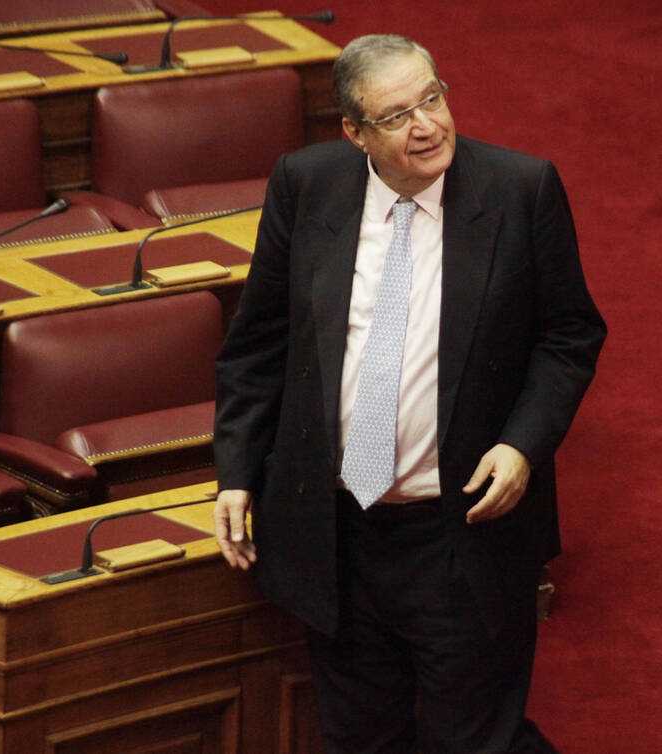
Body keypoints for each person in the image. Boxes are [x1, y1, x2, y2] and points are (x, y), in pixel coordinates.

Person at [213, 33, 606, 754]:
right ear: (355, 132)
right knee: (360, 738)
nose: (426, 125)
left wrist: (521, 446)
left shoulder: (520, 190)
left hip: (462, 530)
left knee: (474, 740)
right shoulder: (305, 184)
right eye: (397, 116)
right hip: (338, 534)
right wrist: (237, 471)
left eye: (432, 98)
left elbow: (569, 336)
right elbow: (259, 343)